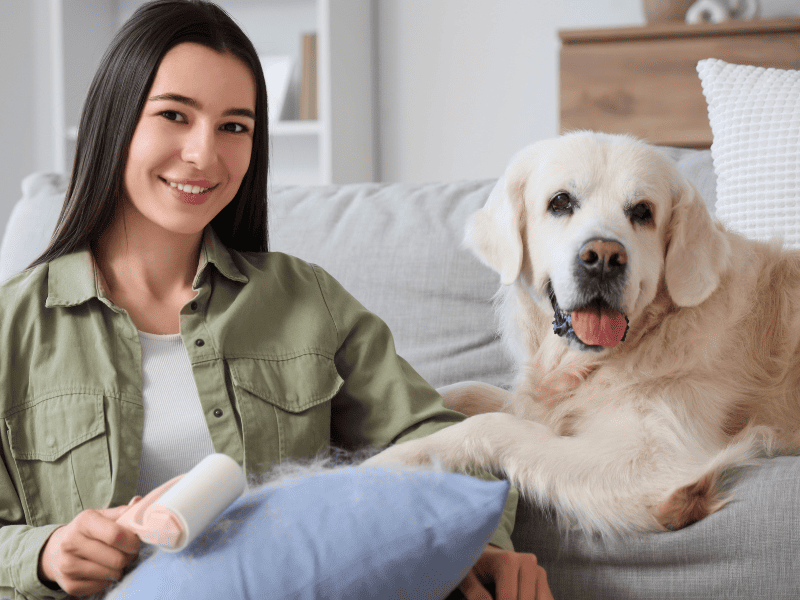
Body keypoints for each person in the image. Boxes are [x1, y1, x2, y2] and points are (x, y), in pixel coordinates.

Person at [0, 2, 553, 599]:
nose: (204, 154)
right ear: (116, 121)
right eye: (174, 115)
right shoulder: (14, 326)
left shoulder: (303, 301)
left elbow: (441, 441)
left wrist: (488, 547)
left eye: (234, 126)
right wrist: (44, 552)